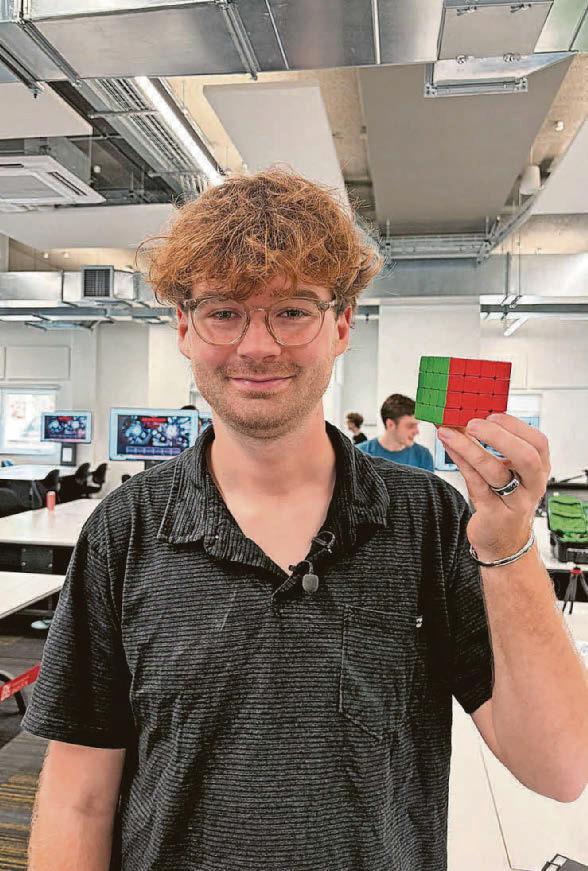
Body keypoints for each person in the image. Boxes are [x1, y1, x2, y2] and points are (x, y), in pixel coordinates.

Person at [23, 169, 587, 871]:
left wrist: (508, 544)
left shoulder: (429, 521)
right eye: (224, 311)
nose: (257, 345)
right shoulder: (125, 531)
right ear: (183, 328)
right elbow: (78, 797)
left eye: (292, 310)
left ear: (342, 323)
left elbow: (561, 767)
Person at [358, 393, 434, 471]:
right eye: (411, 426)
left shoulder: (424, 457)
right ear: (390, 424)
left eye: (417, 425)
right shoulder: (360, 454)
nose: (417, 432)